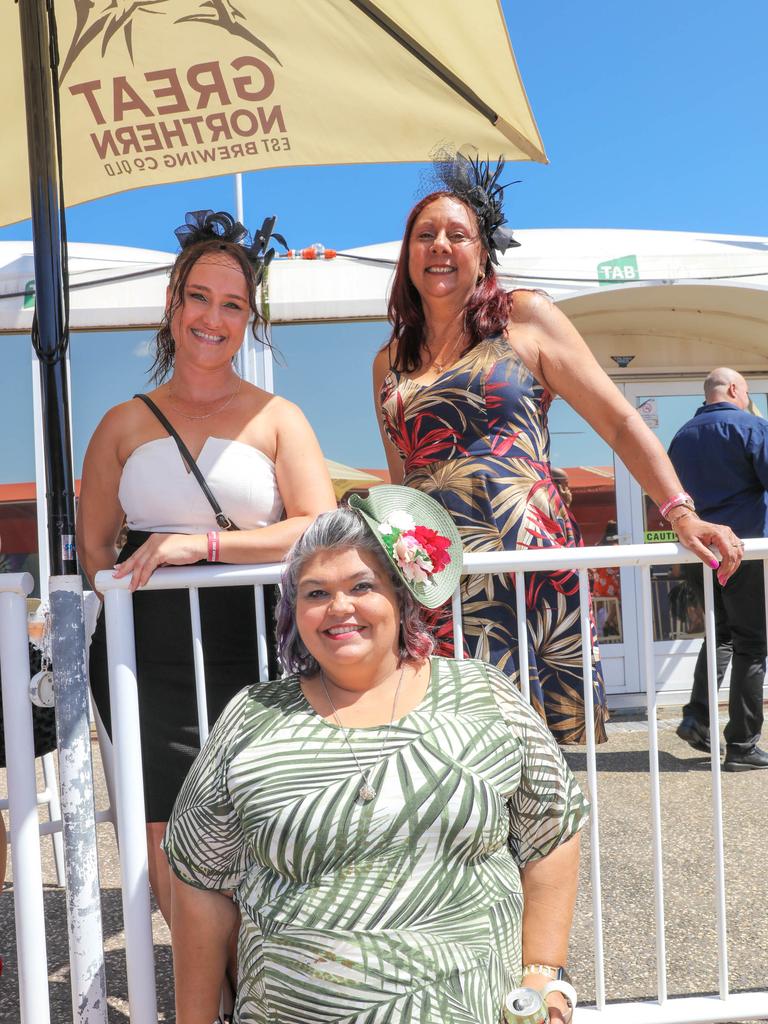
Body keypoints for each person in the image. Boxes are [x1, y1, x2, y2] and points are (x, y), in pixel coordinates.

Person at [164, 485, 586, 1024]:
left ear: (401, 597)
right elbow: (199, 881)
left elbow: (552, 832)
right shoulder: (252, 716)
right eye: (315, 593)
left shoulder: (484, 697)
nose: (339, 608)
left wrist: (543, 974)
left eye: (361, 586)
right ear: (295, 613)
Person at [373, 152, 742, 746]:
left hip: (529, 569)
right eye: (424, 235)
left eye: (456, 234)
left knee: (539, 761)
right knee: (453, 749)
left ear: (482, 252)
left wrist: (680, 511)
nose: (439, 245)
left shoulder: (525, 317)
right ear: (407, 255)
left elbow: (620, 421)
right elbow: (402, 488)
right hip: (439, 579)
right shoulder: (387, 364)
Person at [77, 210, 337, 922]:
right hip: (144, 658)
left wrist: (206, 546)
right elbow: (96, 549)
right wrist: (123, 627)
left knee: (258, 824)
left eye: (233, 304)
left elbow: (320, 527)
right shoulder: (120, 424)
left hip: (256, 649)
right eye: (199, 297)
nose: (212, 318)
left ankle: (251, 986)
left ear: (248, 319)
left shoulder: (278, 417)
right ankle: (208, 995)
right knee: (162, 830)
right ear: (173, 302)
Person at [669, 367, 767, 771]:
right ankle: (742, 746)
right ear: (732, 389)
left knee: (721, 635)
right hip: (742, 551)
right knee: (753, 644)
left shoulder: (681, 437)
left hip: (698, 553)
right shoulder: (750, 427)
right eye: (745, 391)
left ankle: (697, 716)